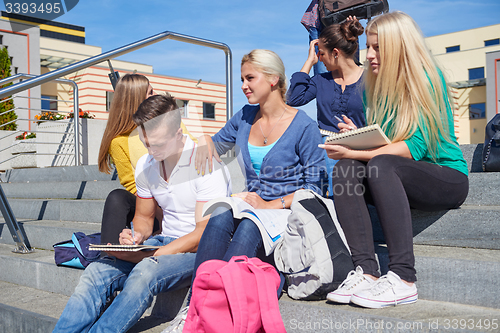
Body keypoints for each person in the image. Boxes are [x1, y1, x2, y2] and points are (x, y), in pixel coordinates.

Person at [162, 49, 326, 332]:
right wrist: (204, 139)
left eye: (250, 77)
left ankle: (219, 314)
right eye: (242, 78)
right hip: (253, 207)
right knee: (220, 216)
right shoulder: (245, 117)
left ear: (274, 79)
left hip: (286, 212)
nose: (243, 85)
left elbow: (314, 188)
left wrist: (269, 205)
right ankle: (194, 308)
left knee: (250, 225)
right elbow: (216, 144)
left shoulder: (304, 128)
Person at [321, 11, 469, 309]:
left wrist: (355, 150)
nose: (369, 55)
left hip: (445, 177)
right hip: (397, 173)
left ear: (399, 46)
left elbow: (414, 146)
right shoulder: (376, 85)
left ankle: (403, 278)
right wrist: (358, 136)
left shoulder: (428, 78)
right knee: (345, 168)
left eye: (378, 48)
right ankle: (367, 272)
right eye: (369, 47)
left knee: (376, 163)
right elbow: (389, 139)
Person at [53, 94, 231, 333]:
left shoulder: (204, 163)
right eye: (146, 143)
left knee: (145, 271)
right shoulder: (146, 164)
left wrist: (153, 254)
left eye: (158, 144)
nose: (151, 150)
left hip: (200, 249)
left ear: (178, 134)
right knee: (96, 271)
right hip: (163, 241)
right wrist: (135, 237)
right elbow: (145, 219)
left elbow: (203, 235)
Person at [97, 74, 196, 244]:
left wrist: (206, 140)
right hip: (150, 203)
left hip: (184, 198)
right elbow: (132, 186)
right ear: (135, 101)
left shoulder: (170, 123)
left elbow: (191, 150)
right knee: (117, 197)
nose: (155, 95)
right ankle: (112, 256)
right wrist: (158, 208)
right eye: (150, 93)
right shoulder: (119, 142)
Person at [288, 16, 366, 198]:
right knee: (322, 149)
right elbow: (294, 99)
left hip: (359, 147)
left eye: (321, 53)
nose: (319, 58)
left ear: (336, 53)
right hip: (325, 146)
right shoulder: (321, 80)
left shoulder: (371, 80)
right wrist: (309, 62)